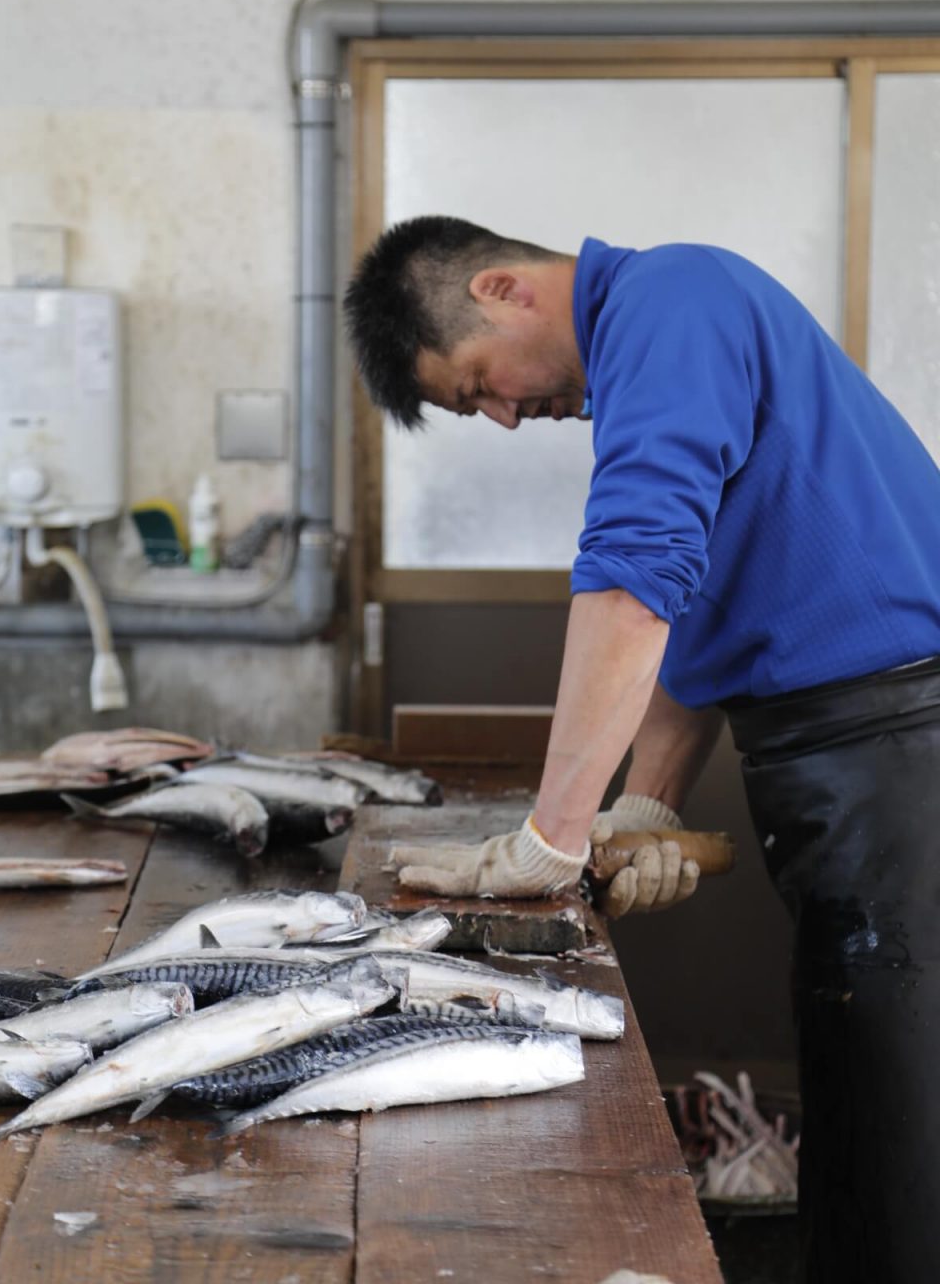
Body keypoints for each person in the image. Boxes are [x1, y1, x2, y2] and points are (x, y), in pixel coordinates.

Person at [343, 215, 940, 1284]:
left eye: (477, 384)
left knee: (911, 1139)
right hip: (844, 756)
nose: (507, 417)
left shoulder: (670, 304)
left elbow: (631, 582)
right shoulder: (664, 336)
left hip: (903, 750)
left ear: (501, 288)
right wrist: (645, 806)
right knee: (865, 1111)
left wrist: (553, 836)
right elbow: (691, 609)